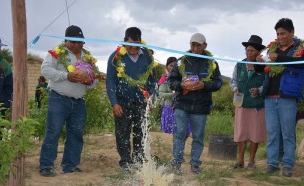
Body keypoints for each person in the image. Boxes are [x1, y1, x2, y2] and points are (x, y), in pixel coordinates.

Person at [39, 25, 99, 177]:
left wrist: (89, 82)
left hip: (79, 101)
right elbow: (45, 69)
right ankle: (46, 166)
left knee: (76, 133)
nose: (76, 45)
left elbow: (95, 80)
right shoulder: (57, 53)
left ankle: (70, 165)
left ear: (83, 43)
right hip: (58, 99)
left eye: (80, 42)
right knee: (53, 132)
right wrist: (66, 75)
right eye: (73, 42)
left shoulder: (88, 58)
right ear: (65, 41)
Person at [256, 18, 304, 177]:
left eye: (283, 33)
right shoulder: (272, 49)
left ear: (292, 32)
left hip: (288, 95)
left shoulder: (302, 47)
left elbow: (301, 64)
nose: (280, 37)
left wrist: (278, 58)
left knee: (288, 133)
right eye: (278, 34)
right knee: (272, 132)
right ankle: (272, 163)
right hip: (270, 96)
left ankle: (288, 164)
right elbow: (264, 70)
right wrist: (259, 63)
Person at [168, 33, 223, 175]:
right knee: (179, 134)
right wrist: (181, 85)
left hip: (201, 106)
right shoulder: (181, 61)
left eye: (198, 45)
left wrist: (204, 85)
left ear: (205, 45)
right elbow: (171, 81)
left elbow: (218, 83)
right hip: (182, 104)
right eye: (193, 44)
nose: (195, 47)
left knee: (198, 136)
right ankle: (176, 162)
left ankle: (195, 164)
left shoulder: (212, 63)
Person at [106, 27, 157, 171]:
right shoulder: (116, 57)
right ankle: (125, 162)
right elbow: (110, 81)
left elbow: (153, 80)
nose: (133, 47)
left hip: (142, 103)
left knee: (140, 132)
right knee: (122, 133)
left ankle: (138, 160)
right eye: (130, 43)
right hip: (122, 102)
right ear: (124, 41)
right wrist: (114, 103)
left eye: (136, 43)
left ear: (141, 42)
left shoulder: (147, 57)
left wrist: (151, 97)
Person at [230, 35, 266, 170]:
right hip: (242, 103)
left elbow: (266, 83)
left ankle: (251, 161)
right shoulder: (240, 65)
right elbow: (233, 80)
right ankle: (240, 160)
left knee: (255, 133)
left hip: (257, 105)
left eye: (252, 50)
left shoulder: (263, 66)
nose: (249, 52)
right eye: (247, 50)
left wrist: (260, 90)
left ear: (258, 52)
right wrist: (234, 89)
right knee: (241, 133)